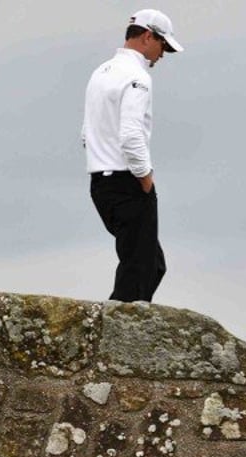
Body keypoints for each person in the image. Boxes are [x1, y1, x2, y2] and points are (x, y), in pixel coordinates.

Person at [82, 9, 183, 302]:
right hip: (127, 181)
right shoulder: (137, 76)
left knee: (152, 264)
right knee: (141, 267)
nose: (162, 55)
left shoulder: (101, 72)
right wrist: (145, 177)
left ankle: (114, 328)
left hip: (100, 182)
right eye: (163, 46)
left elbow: (87, 133)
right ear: (148, 36)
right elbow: (130, 135)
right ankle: (115, 336)